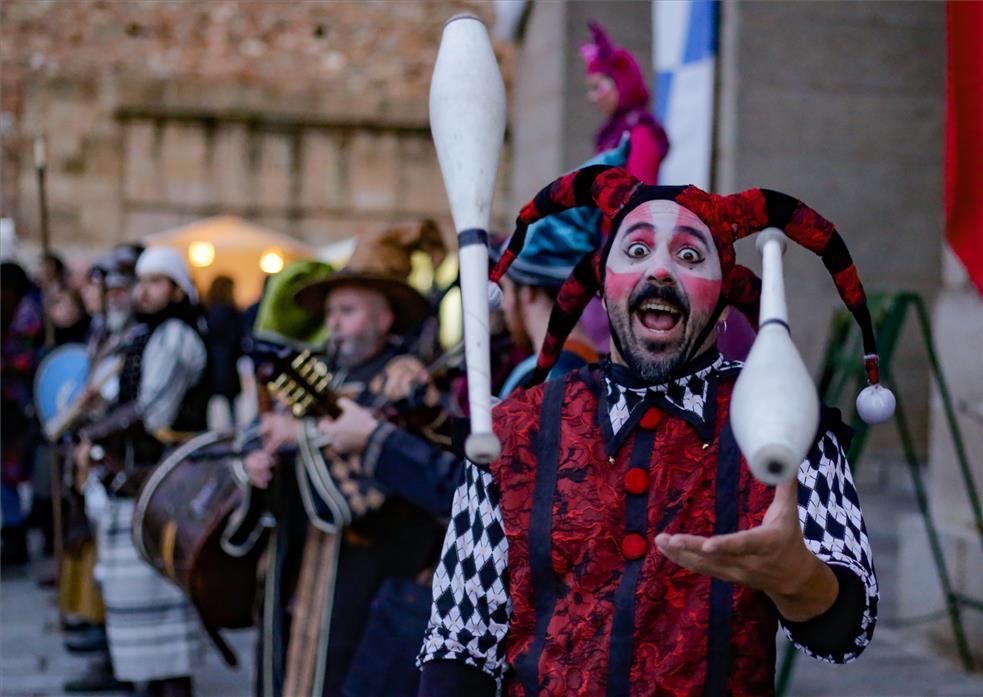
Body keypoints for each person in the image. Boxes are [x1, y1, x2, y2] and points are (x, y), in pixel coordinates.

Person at [418, 166, 887, 695]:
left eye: (690, 256)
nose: (660, 271)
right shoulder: (514, 431)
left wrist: (796, 577)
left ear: (723, 292)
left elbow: (848, 633)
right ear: (602, 280)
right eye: (636, 251)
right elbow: (459, 643)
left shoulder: (789, 423)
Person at [236, 221, 460, 697]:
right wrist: (258, 458)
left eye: (349, 311)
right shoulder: (319, 370)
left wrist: (303, 434)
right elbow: (265, 430)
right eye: (332, 312)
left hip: (372, 566)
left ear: (385, 319)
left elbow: (390, 475)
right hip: (298, 553)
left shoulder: (403, 377)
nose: (334, 322)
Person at [76, 246, 208, 697]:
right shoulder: (146, 334)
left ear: (176, 289)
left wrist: (95, 435)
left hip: (161, 481)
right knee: (134, 592)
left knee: (159, 592)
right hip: (137, 480)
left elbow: (153, 413)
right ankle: (151, 683)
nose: (144, 291)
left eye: (156, 282)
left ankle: (171, 686)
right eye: (142, 282)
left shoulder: (174, 335)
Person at [1, 261, 44, 565]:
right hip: (9, 405)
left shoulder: (26, 313)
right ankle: (13, 530)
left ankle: (16, 532)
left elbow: (22, 359)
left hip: (17, 406)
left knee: (11, 472)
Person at [204, 274, 243, 425]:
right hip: (227, 363)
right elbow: (236, 339)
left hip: (213, 362)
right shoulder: (230, 312)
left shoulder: (208, 310)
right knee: (230, 408)